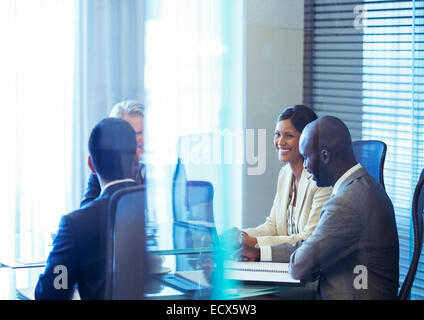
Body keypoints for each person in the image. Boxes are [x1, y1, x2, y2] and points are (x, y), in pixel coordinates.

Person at [240, 116, 399, 299]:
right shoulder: (365, 186)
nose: (305, 165)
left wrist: (306, 260)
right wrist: (261, 253)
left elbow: (300, 267)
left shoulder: (346, 203)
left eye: (306, 157)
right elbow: (314, 246)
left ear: (325, 156)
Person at [35, 118, 139, 299]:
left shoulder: (75, 224)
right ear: (136, 159)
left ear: (91, 165)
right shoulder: (158, 209)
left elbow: (51, 293)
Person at [233, 105, 332, 262]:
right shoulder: (285, 174)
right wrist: (241, 235)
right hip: (284, 264)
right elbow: (273, 226)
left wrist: (255, 242)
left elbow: (309, 239)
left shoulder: (321, 182)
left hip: (308, 270)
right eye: (277, 134)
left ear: (307, 139)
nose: (280, 142)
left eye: (289, 136)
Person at [80, 100, 145, 207]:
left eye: (143, 132)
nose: (141, 139)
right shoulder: (105, 171)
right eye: (132, 133)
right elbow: (86, 212)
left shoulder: (162, 169)